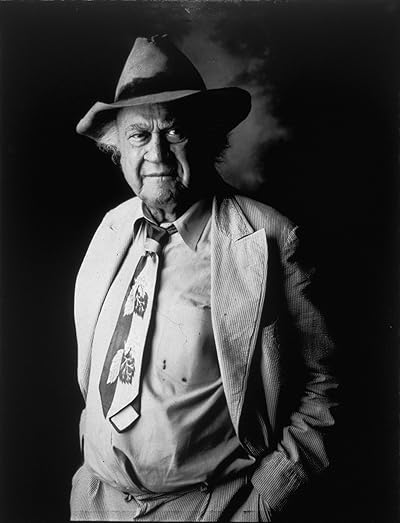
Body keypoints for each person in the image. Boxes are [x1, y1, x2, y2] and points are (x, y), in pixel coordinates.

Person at [70, 34, 337, 522]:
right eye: (138, 135)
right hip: (97, 503)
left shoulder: (269, 237)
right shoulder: (111, 229)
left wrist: (264, 502)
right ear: (117, 149)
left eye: (174, 132)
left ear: (208, 137)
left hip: (211, 510)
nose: (156, 153)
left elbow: (324, 385)